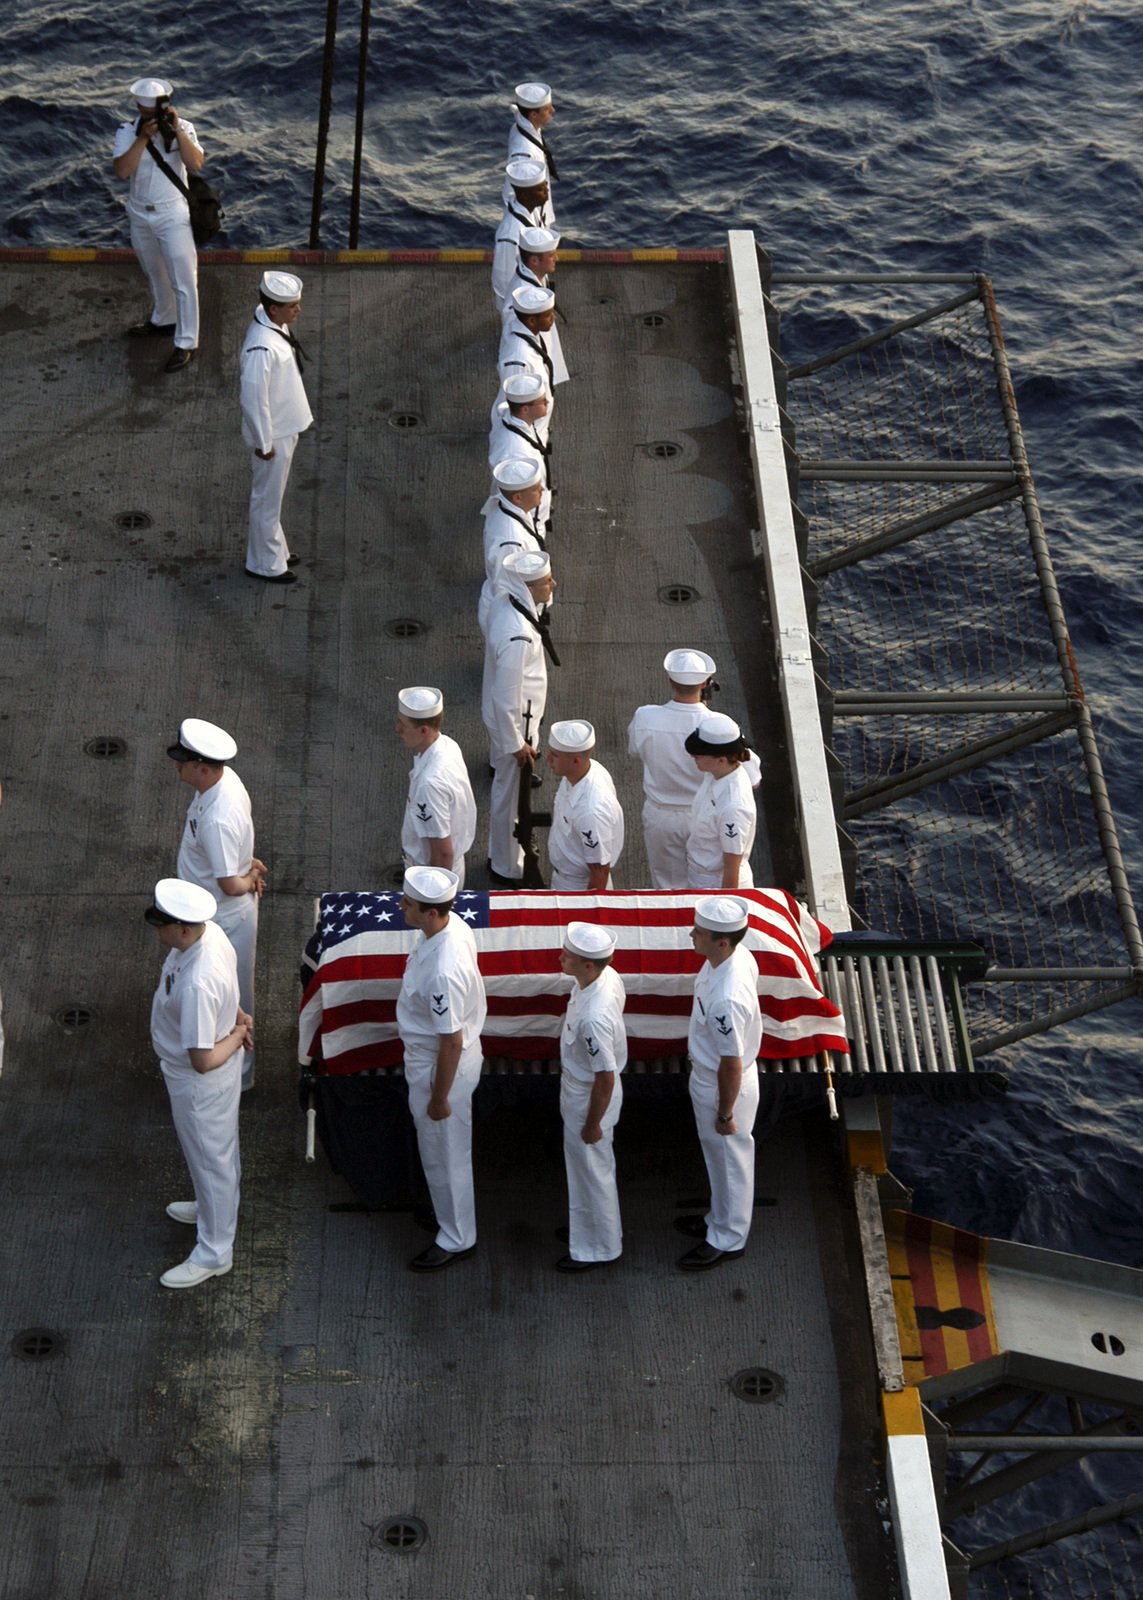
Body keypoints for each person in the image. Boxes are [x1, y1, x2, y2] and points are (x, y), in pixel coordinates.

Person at [146, 877, 252, 1289]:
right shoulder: (211, 936)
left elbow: (204, 1059)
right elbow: (231, 987)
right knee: (213, 1157)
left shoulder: (196, 983)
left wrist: (238, 1035)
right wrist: (239, 1016)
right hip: (197, 1074)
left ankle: (214, 1252)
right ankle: (211, 1209)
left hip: (197, 1084)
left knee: (213, 1161)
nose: (158, 929)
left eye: (163, 924)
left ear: (184, 929)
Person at [395, 866, 488, 1271]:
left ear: (432, 913)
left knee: (444, 1155)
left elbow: (450, 1040)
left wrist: (438, 1097)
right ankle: (447, 1213)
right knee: (438, 1153)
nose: (401, 906)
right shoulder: (449, 928)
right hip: (438, 1057)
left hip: (440, 1068)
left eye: (409, 904)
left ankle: (456, 1236)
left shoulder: (442, 971)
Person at [168, 718, 264, 1091]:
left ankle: (238, 1076)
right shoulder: (220, 783)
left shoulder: (218, 818)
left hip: (222, 916)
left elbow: (229, 884)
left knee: (228, 995)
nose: (178, 766)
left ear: (203, 769)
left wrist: (250, 878)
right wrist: (249, 864)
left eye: (184, 762)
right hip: (214, 907)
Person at [677, 896, 761, 1272]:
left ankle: (728, 1238)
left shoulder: (727, 997)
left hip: (722, 1086)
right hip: (713, 1076)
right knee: (720, 1162)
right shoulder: (732, 957)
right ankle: (719, 1219)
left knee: (729, 1163)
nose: (692, 934)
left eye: (700, 932)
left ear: (722, 941)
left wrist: (725, 1112)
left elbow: (731, 1063)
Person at [112, 76, 204, 372]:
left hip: (173, 213)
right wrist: (143, 139)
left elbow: (196, 163)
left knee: (184, 279)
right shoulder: (128, 132)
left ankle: (187, 341)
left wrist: (175, 130)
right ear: (139, 108)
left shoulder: (183, 128)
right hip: (140, 213)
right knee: (154, 270)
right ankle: (164, 318)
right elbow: (123, 172)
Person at [481, 549, 558, 884]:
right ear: (528, 587)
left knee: (509, 792)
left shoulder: (507, 601)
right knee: (509, 794)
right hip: (517, 726)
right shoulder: (518, 635)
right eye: (545, 582)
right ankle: (506, 863)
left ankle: (507, 851)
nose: (552, 584)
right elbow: (506, 693)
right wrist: (516, 743)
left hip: (513, 721)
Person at [557, 922, 626, 1274]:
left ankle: (599, 1247)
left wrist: (592, 1123)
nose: (560, 958)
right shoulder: (604, 977)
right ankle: (586, 1231)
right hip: (582, 1090)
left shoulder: (593, 1018)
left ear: (588, 965)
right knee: (584, 1170)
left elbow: (604, 1076)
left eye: (568, 957)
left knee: (592, 1172)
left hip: (589, 1099)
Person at [238, 270, 313, 584]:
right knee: (266, 500)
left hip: (284, 426)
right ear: (273, 309)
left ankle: (275, 551)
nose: (298, 310)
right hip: (274, 434)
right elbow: (253, 398)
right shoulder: (261, 347)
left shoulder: (269, 323)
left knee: (272, 498)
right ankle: (265, 564)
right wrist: (264, 442)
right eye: (292, 306)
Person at [627, 648, 719, 889]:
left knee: (666, 886)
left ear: (670, 681)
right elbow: (751, 775)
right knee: (707, 883)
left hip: (661, 815)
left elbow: (635, 751)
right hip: (704, 815)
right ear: (705, 684)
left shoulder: (645, 717)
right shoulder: (718, 726)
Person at [396, 687, 477, 888]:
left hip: (432, 874)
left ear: (424, 730)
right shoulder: (447, 744)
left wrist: (432, 896)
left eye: (403, 725)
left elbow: (442, 853)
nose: (398, 728)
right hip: (447, 867)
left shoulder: (429, 785)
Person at [546, 720, 624, 891]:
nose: (548, 760)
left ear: (576, 760)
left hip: (578, 888)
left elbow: (600, 872)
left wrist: (587, 910)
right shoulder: (581, 773)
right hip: (563, 879)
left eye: (555, 755)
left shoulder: (590, 811)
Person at [684, 712, 758, 890]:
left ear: (721, 760)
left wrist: (725, 905)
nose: (694, 758)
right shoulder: (716, 773)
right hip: (700, 876)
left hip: (717, 884)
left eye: (699, 755)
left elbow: (731, 867)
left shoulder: (733, 807)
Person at [479, 457, 547, 634]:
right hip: (513, 619)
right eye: (535, 489)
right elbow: (508, 586)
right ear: (518, 497)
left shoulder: (508, 509)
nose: (542, 490)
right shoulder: (511, 541)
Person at [488, 372, 552, 525]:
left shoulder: (515, 421)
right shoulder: (514, 450)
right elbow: (517, 489)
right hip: (529, 517)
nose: (547, 402)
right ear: (525, 409)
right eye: (542, 401)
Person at [492, 158, 554, 310]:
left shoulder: (533, 212)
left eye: (545, 185)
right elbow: (504, 283)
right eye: (540, 189)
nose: (547, 191)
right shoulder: (509, 236)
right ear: (525, 196)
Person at [498, 284, 568, 414]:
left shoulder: (531, 335)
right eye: (548, 315)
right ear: (531, 321)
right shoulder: (518, 358)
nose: (554, 318)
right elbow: (515, 407)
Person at [504, 83, 558, 207]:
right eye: (547, 109)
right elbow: (516, 194)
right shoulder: (524, 152)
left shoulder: (525, 126)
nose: (552, 111)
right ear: (533, 114)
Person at [499, 224, 560, 323]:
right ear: (534, 261)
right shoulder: (522, 300)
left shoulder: (539, 276)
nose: (557, 259)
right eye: (551, 255)